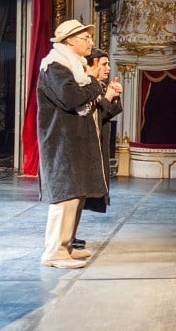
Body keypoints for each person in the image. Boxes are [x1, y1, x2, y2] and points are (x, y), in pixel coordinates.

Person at [36, 20, 121, 269]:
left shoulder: (74, 67)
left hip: (74, 141)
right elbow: (71, 98)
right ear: (70, 40)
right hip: (61, 141)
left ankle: (67, 246)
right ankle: (54, 251)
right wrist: (94, 82)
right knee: (65, 196)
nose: (90, 42)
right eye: (85, 38)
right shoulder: (55, 66)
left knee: (75, 195)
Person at [81, 48, 123, 222]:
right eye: (104, 64)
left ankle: (71, 236)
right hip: (85, 147)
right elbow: (92, 119)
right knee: (78, 196)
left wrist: (112, 96)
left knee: (84, 197)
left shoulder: (100, 85)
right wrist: (107, 97)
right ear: (93, 65)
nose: (108, 68)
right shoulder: (85, 86)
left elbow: (107, 115)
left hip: (98, 145)